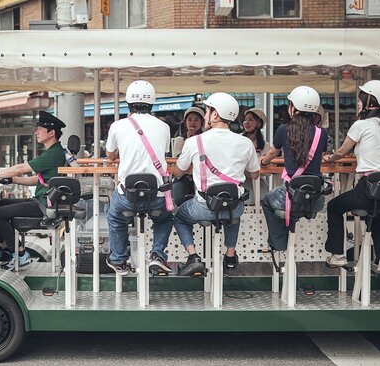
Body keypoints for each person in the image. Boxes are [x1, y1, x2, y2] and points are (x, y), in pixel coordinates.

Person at [322, 80, 380, 275]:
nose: (358, 103)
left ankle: (338, 254)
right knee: (374, 214)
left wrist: (330, 157)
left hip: (368, 185)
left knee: (334, 207)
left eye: (360, 99)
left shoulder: (361, 125)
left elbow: (342, 151)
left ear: (369, 102)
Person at [173, 93, 260, 274]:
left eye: (207, 110)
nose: (205, 115)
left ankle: (194, 256)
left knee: (179, 216)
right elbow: (255, 174)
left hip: (204, 207)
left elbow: (178, 171)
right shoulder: (245, 142)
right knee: (232, 207)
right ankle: (229, 256)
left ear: (215, 114)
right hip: (233, 207)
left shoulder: (193, 141)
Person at [105, 80, 175, 276]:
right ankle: (158, 255)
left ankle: (119, 260)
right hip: (157, 197)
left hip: (127, 198)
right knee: (164, 219)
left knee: (116, 219)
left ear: (128, 102)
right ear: (151, 103)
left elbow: (110, 156)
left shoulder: (117, 126)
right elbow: (164, 153)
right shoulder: (164, 127)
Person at [0, 111, 67, 269]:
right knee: (2, 204)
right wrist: (11, 179)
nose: (36, 132)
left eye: (40, 129)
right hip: (42, 200)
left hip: (43, 205)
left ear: (51, 132)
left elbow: (21, 168)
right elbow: (37, 180)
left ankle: (19, 253)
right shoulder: (54, 152)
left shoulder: (53, 154)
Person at [260, 86, 327, 252]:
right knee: (290, 206)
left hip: (290, 195)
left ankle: (278, 244)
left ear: (293, 108)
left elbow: (273, 153)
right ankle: (285, 240)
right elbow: (321, 153)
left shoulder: (283, 129)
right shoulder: (322, 133)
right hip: (315, 200)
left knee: (268, 201)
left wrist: (264, 162)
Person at [242, 108, 270, 205]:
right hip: (240, 182)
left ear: (259, 123)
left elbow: (267, 172)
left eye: (251, 120)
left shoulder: (265, 146)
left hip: (258, 184)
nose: (246, 122)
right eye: (245, 119)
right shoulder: (237, 141)